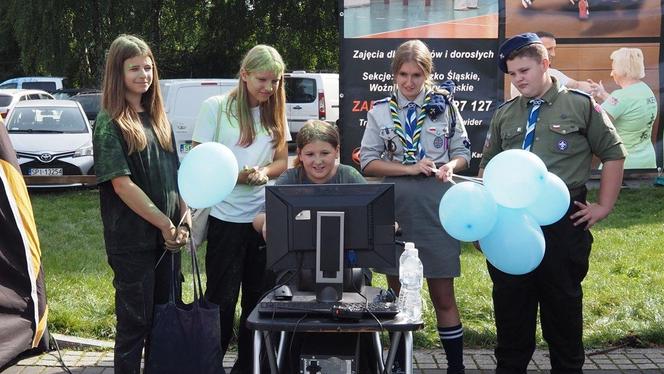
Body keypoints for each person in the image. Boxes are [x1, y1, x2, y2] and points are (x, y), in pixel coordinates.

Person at [481, 33, 626, 373]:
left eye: (525, 70)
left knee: (562, 304)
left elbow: (613, 153)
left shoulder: (579, 104)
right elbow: (488, 164)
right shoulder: (505, 113)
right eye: (513, 73)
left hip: (563, 220)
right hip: (511, 222)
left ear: (546, 64)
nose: (519, 79)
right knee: (510, 304)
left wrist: (604, 206)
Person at [360, 39, 471, 374]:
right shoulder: (380, 111)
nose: (409, 83)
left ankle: (456, 367)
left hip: (437, 208)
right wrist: (407, 168)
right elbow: (367, 162)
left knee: (443, 294)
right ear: (394, 74)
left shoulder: (445, 107)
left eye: (417, 75)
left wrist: (451, 165)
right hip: (395, 210)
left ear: (428, 75)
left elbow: (464, 151)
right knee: (395, 298)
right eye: (403, 74)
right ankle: (395, 365)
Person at [93, 34, 190, 374]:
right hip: (132, 244)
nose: (143, 75)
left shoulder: (160, 119)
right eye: (134, 68)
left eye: (148, 67)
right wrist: (165, 224)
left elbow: (178, 179)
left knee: (164, 325)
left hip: (167, 243)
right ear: (117, 74)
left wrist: (185, 221)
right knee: (136, 325)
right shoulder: (109, 122)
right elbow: (122, 185)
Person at [191, 44, 289, 373]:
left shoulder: (276, 109)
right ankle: (209, 365)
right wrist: (236, 175)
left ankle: (250, 366)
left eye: (275, 81)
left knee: (258, 301)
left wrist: (264, 173)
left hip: (262, 222)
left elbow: (281, 161)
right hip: (224, 218)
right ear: (244, 74)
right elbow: (198, 159)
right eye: (263, 79)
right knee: (220, 300)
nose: (269, 88)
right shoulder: (216, 107)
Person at [588, 47, 657, 169]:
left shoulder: (621, 96)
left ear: (622, 70)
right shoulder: (645, 89)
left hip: (623, 164)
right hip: (647, 160)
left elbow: (596, 122)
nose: (611, 73)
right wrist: (603, 93)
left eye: (613, 68)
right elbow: (626, 107)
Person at [510, 31, 592, 98]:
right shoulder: (547, 73)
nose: (553, 54)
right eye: (549, 49)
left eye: (554, 49)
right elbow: (576, 86)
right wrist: (596, 89)